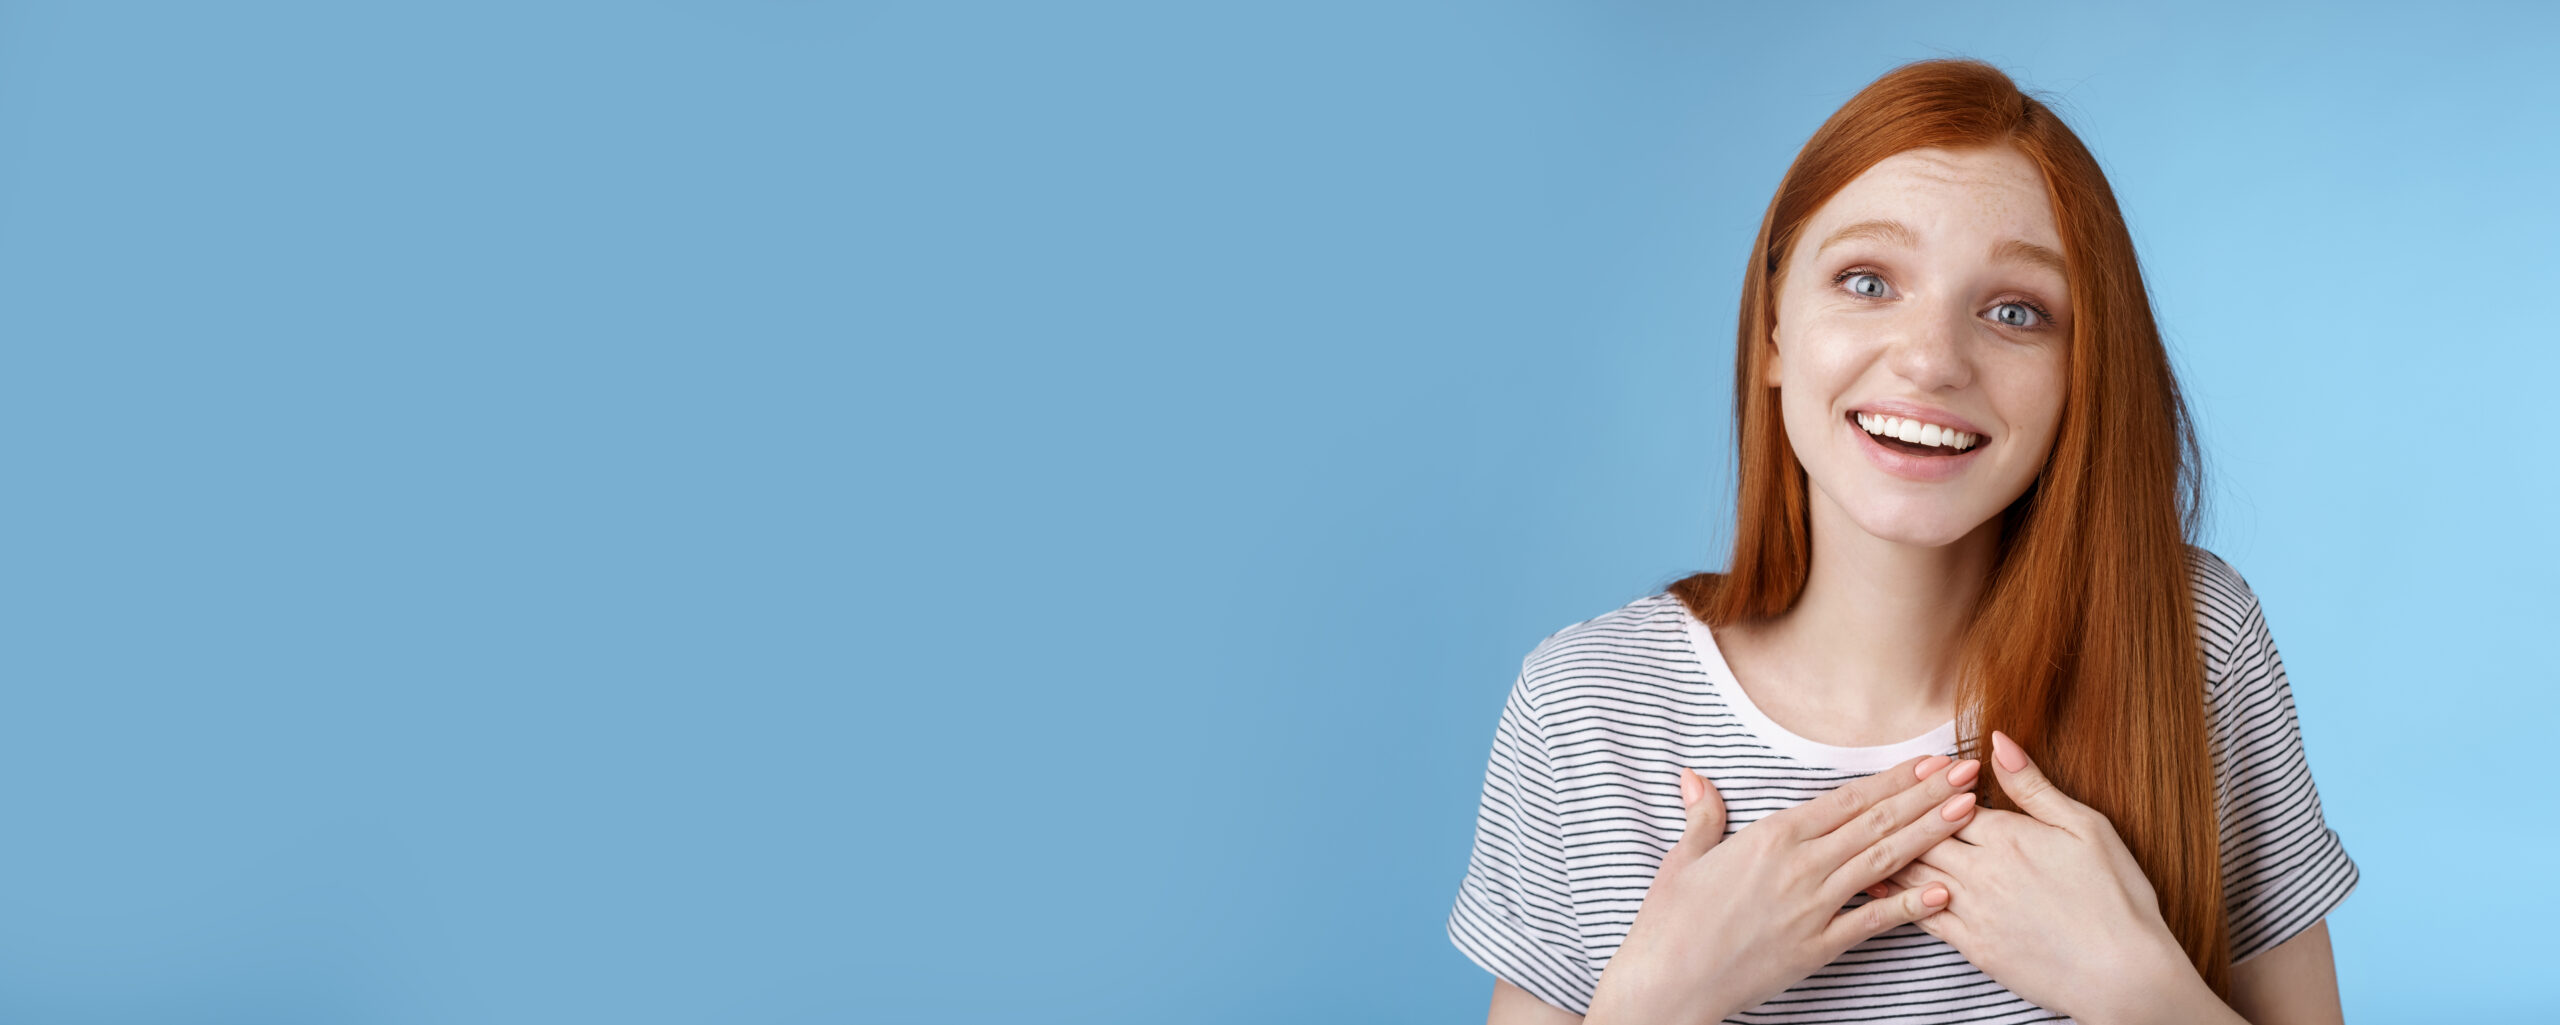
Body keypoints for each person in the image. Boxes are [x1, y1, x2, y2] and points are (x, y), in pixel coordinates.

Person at [1446, 58, 2357, 1025]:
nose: (1930, 360)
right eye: (1867, 280)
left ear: (2081, 373)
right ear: (1772, 334)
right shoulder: (1585, 709)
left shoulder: (2194, 641)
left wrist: (2144, 996)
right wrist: (1655, 1001)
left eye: (2016, 311)